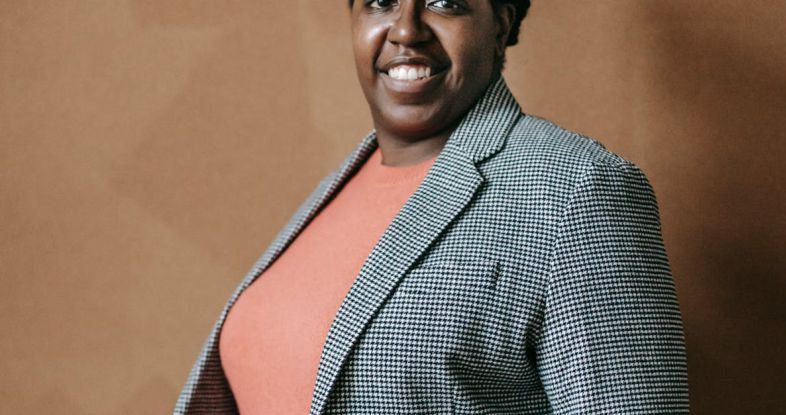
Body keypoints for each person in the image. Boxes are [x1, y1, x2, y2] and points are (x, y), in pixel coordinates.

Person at [175, 0, 689, 413]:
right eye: (380, 2)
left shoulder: (577, 188)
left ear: (500, 23)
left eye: (444, 3)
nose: (406, 30)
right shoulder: (337, 188)